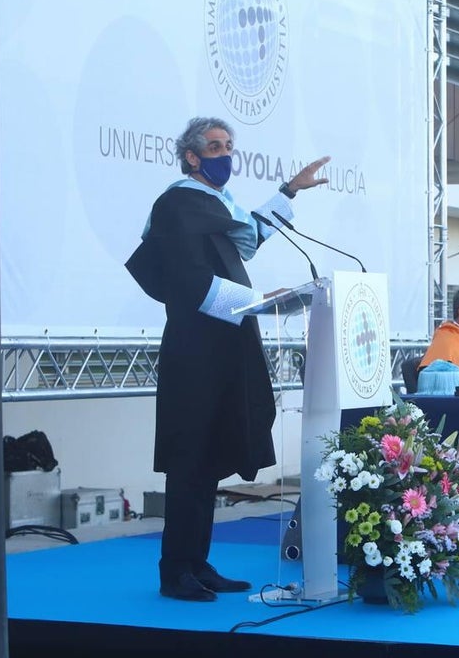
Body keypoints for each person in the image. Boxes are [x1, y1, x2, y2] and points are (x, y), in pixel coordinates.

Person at [125, 116, 329, 602]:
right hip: (195, 351)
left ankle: (198, 563)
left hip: (224, 346)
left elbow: (248, 238)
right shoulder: (178, 204)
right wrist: (252, 302)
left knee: (210, 457)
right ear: (191, 156)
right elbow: (186, 280)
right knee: (189, 459)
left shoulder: (215, 207)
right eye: (214, 146)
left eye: (230, 146)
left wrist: (290, 191)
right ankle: (175, 571)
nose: (225, 155)